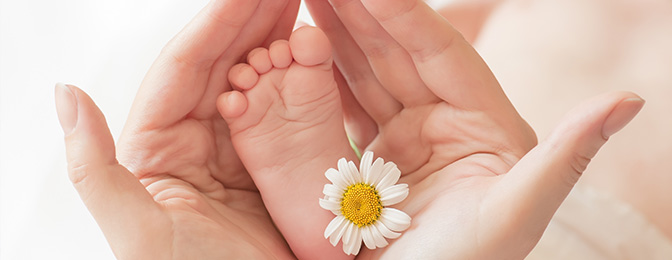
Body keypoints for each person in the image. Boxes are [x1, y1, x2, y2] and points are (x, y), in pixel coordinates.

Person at [55, 0, 644, 259]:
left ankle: (324, 201)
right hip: (448, 180)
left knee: (392, 147)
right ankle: (323, 192)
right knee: (396, 147)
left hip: (447, 176)